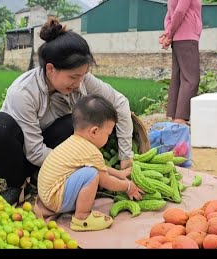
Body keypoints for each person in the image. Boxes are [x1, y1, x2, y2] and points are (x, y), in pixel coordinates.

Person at [0, 17, 135, 205]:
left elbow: (120, 103)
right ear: (51, 69)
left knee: (75, 122)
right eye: (73, 77)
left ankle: (41, 177)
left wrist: (126, 156)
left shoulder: (82, 80)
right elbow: (35, 152)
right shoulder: (23, 92)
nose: (79, 83)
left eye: (82, 76)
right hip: (14, 157)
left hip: (50, 154)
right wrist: (84, 165)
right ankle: (16, 184)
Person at [37, 94, 144, 231]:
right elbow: (106, 181)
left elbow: (101, 167)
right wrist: (128, 186)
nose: (108, 137)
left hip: (47, 195)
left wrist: (118, 173)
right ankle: (82, 217)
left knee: (91, 171)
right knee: (90, 174)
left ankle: (78, 211)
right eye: (108, 133)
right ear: (94, 131)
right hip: (56, 199)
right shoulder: (91, 151)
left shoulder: (73, 142)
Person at [159, 0, 202, 125]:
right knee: (191, 79)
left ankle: (175, 116)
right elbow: (179, 11)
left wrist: (168, 34)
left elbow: (169, 16)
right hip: (187, 37)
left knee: (178, 77)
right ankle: (181, 118)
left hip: (178, 39)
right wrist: (169, 35)